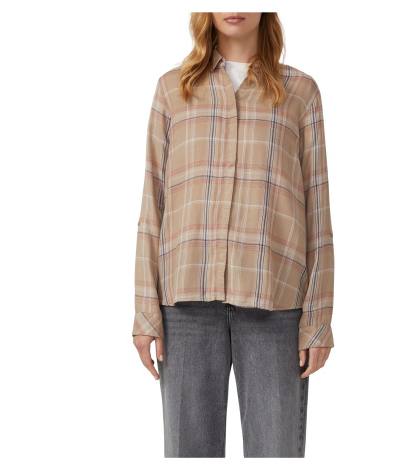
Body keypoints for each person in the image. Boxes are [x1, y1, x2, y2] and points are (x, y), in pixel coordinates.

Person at [132, 12, 335, 458]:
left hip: (275, 305)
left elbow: (317, 208)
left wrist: (318, 320)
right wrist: (146, 311)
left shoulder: (301, 92)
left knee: (276, 454)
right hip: (185, 309)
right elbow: (153, 203)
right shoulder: (172, 90)